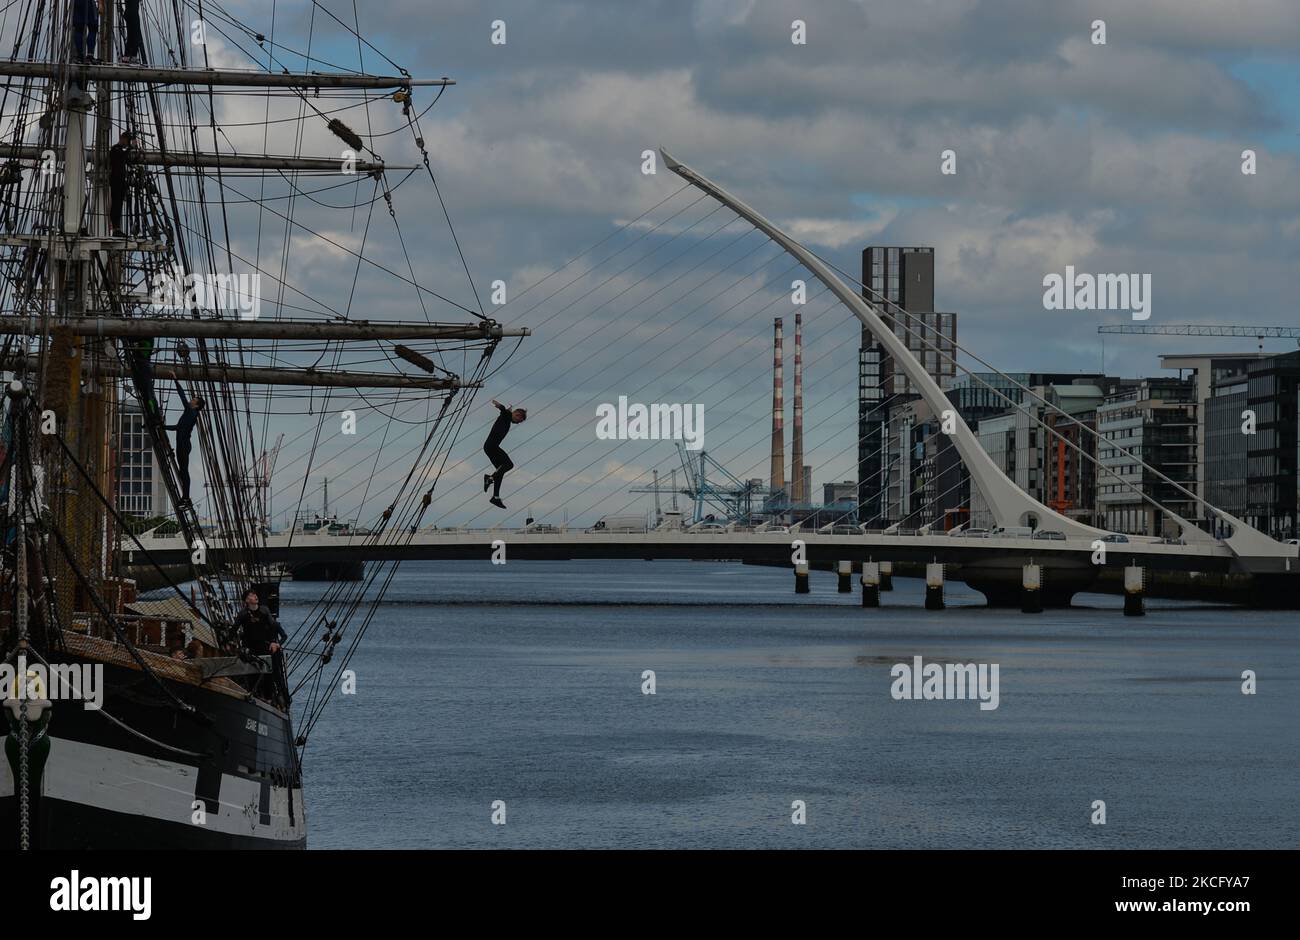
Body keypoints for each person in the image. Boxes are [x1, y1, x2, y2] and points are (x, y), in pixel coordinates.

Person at [235, 589, 290, 707]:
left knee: (271, 672)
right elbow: (232, 632)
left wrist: (277, 643)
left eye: (255, 594)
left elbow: (283, 635)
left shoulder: (265, 613)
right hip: (251, 651)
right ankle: (254, 694)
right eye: (251, 595)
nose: (255, 596)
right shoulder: (243, 615)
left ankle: (270, 698)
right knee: (252, 672)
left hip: (267, 649)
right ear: (246, 600)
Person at [164, 380, 204, 506]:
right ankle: (185, 497)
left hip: (184, 445)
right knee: (182, 471)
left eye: (193, 400)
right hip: (183, 444)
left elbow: (182, 395)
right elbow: (178, 428)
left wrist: (175, 380)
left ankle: (186, 498)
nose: (191, 401)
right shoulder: (189, 413)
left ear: (196, 405)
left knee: (184, 471)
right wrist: (162, 427)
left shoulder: (191, 411)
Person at [482, 398, 525, 509]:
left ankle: (495, 497)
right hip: (492, 446)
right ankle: (489, 478)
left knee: (500, 471)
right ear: (516, 414)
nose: (517, 423)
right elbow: (504, 410)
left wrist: (506, 409)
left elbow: (506, 412)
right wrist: (499, 405)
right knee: (509, 465)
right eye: (519, 420)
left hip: (490, 447)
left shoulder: (506, 418)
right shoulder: (506, 416)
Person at [108, 130, 133, 236]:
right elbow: (122, 156)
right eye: (126, 141)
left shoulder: (120, 150)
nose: (126, 143)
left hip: (121, 181)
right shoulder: (115, 149)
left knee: (119, 205)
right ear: (122, 138)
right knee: (116, 205)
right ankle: (115, 228)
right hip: (116, 180)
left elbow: (125, 159)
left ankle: (117, 228)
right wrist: (131, 148)